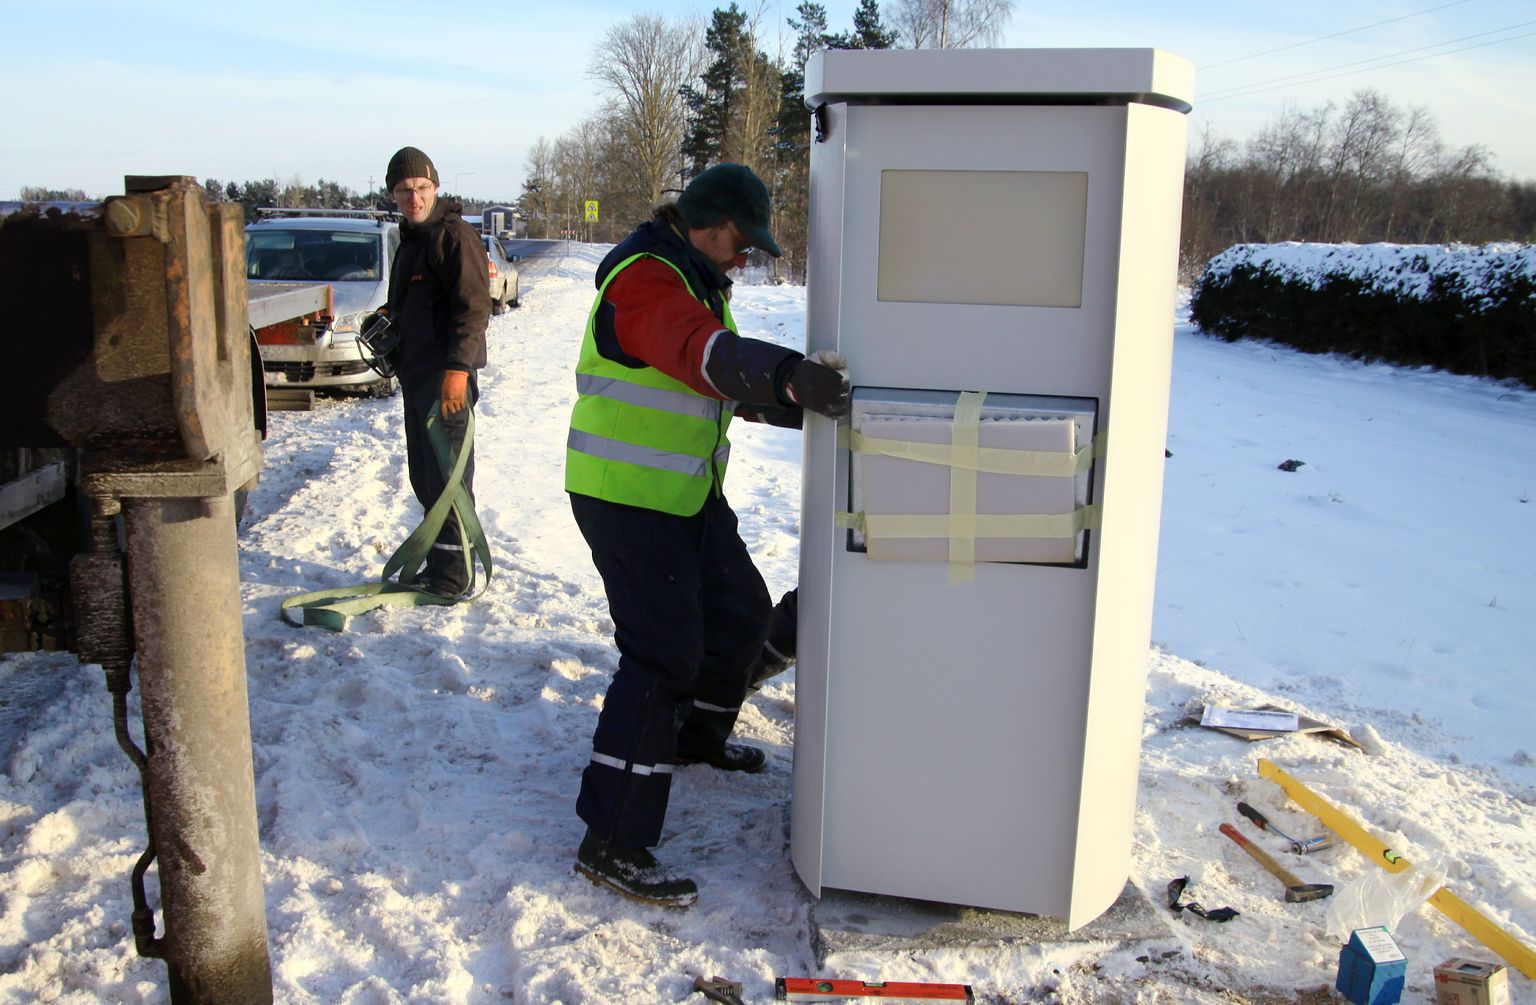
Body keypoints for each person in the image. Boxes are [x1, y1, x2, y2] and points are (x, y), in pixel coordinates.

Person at [565, 163, 850, 907]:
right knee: (661, 653)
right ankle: (613, 840)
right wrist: (786, 373)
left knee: (742, 616)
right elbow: (702, 355)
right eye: (741, 242)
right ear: (712, 221)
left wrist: (793, 403)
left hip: (684, 492)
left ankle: (696, 739)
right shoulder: (645, 279)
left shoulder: (696, 281)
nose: (745, 257)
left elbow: (710, 384)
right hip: (625, 498)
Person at [383, 146, 491, 598]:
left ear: (436, 188)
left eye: (422, 188)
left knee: (449, 483)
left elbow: (473, 309)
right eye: (405, 190)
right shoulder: (410, 240)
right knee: (427, 479)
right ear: (392, 194)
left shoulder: (455, 236)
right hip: (417, 377)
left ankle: (453, 576)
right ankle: (443, 565)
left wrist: (458, 371)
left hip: (447, 382)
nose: (414, 197)